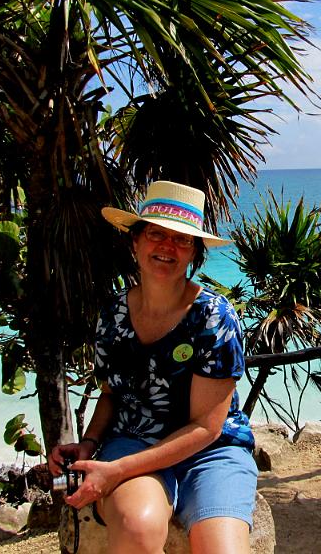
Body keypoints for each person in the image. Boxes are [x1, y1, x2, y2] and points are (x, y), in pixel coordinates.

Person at [48, 181, 257, 554]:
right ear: (135, 242)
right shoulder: (112, 315)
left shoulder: (214, 316)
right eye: (156, 234)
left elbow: (207, 428)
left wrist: (117, 472)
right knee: (137, 529)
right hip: (133, 440)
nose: (167, 247)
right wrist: (89, 444)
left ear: (194, 253)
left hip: (212, 449)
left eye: (182, 239)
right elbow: (111, 395)